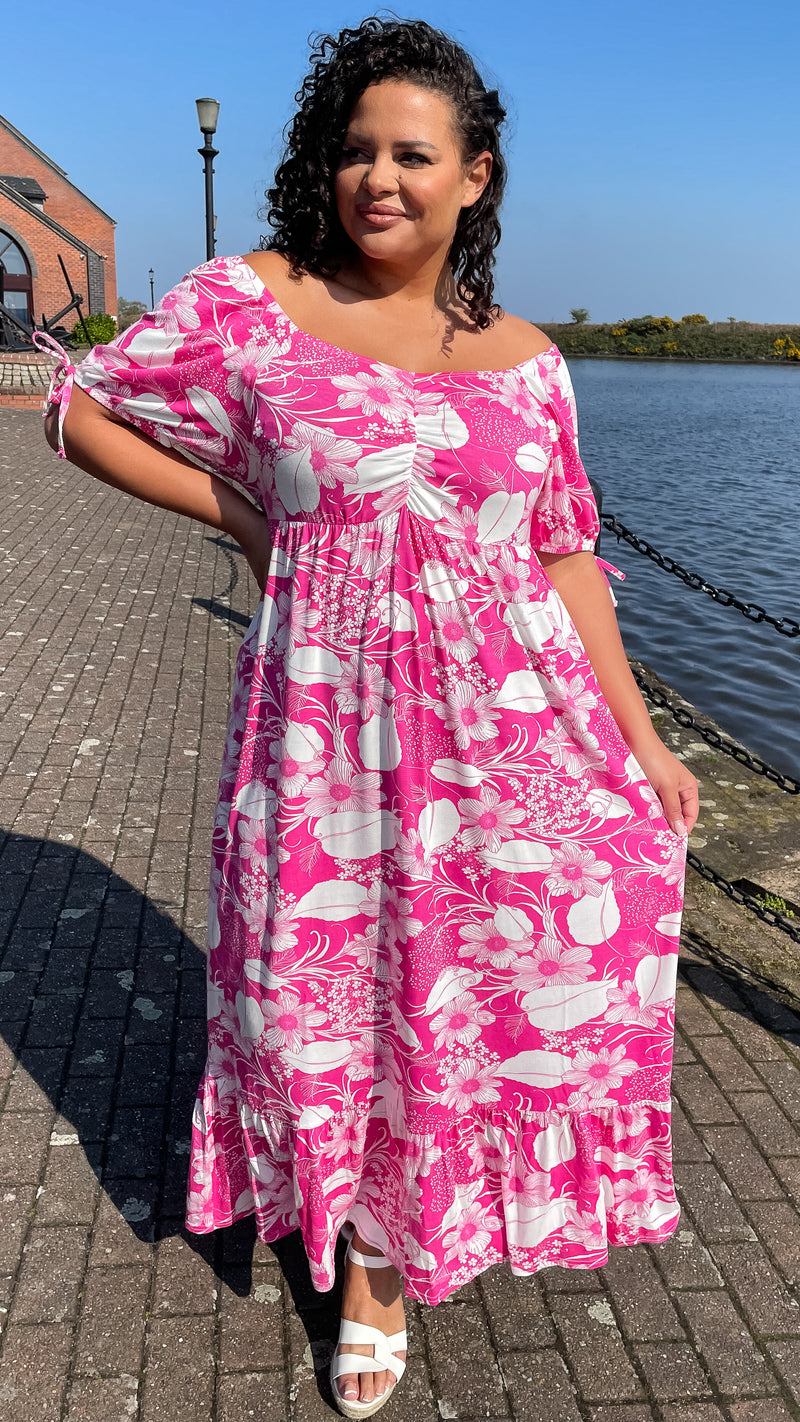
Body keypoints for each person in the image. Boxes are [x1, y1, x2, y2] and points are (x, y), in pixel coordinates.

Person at [39, 16, 699, 1418]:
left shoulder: (530, 362)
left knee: (479, 987)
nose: (379, 178)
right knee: (319, 996)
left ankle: (385, 1261)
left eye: (412, 154)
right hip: (326, 741)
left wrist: (641, 739)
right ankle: (345, 1217)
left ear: (475, 176)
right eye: (355, 151)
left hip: (514, 749)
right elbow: (82, 408)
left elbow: (567, 554)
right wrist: (244, 514)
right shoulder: (254, 301)